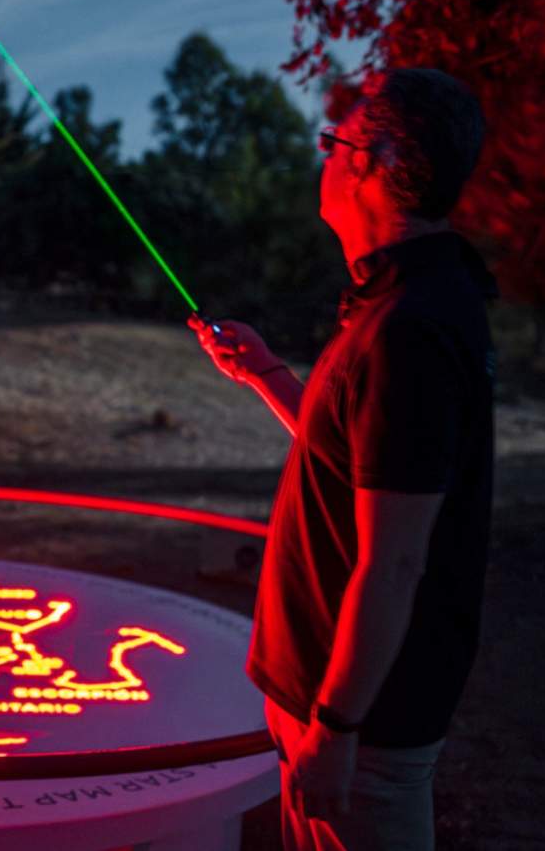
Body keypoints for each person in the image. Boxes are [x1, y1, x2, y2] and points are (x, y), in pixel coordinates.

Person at [190, 68, 497, 851]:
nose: (322, 159)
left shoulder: (409, 332)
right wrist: (265, 374)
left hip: (363, 728)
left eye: (333, 142)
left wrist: (335, 726)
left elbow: (395, 563)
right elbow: (364, 465)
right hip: (334, 709)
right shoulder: (396, 308)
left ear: (371, 159)